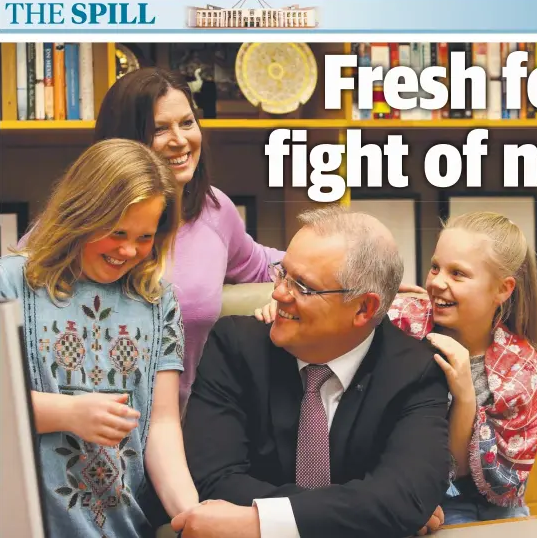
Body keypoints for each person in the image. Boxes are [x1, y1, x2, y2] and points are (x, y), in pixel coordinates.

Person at [174, 206, 451, 538]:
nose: (277, 293)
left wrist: (256, 523)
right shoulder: (234, 347)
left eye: (303, 287)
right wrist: (376, 516)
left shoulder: (414, 370)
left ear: (364, 307)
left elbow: (406, 495)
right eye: (282, 273)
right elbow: (214, 480)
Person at [0, 139, 199, 537]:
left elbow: (161, 425)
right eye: (117, 232)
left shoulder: (159, 301)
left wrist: (191, 515)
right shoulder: (11, 283)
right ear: (82, 214)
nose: (128, 250)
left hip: (127, 525)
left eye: (145, 238)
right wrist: (67, 413)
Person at [93, 67, 285, 411]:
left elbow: (262, 263)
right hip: (94, 429)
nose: (180, 140)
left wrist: (353, 272)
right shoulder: (85, 218)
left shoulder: (213, 209)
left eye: (187, 123)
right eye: (159, 129)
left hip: (186, 428)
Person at [387, 211, 537, 525]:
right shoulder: (401, 323)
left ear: (503, 289)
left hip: (496, 504)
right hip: (421, 498)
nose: (437, 282)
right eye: (435, 267)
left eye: (457, 273)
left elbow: (479, 478)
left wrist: (465, 396)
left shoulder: (521, 368)